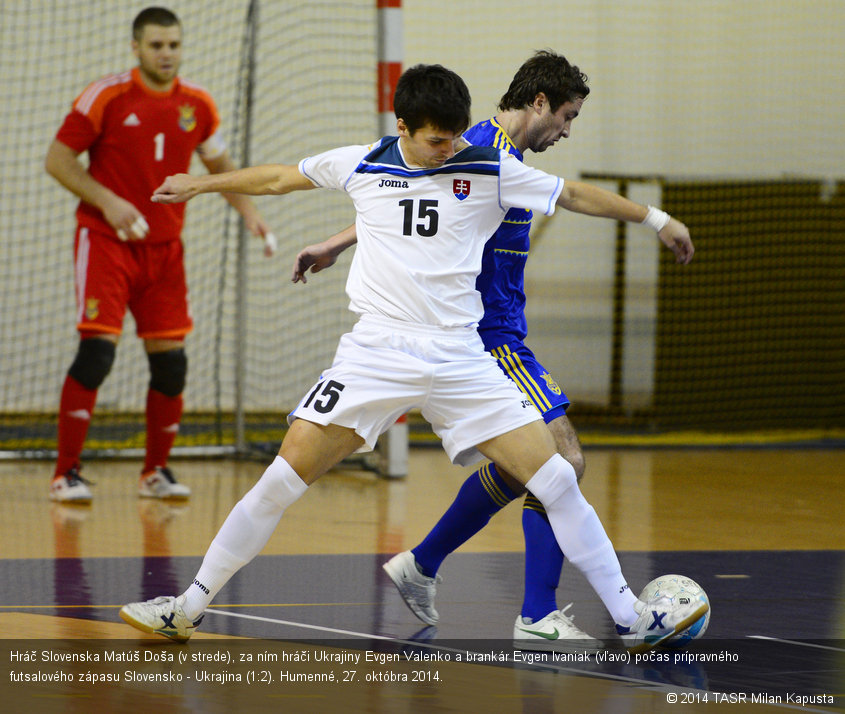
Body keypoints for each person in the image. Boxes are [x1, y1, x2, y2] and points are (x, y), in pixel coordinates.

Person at [119, 63, 704, 653]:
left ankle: (632, 619)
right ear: (401, 126)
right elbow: (277, 178)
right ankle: (186, 607)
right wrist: (198, 182)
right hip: (377, 353)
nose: (449, 150)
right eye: (436, 141)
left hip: (461, 356)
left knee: (557, 478)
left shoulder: (487, 167)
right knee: (280, 480)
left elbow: (575, 195)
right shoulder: (362, 162)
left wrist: (657, 219)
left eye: (455, 137)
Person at [290, 51, 650, 650]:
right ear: (538, 103)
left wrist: (334, 241)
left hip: (502, 329)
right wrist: (655, 220)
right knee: (564, 462)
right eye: (567, 116)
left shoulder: (495, 158)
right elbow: (404, 196)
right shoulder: (473, 149)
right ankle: (537, 613)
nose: (567, 130)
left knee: (524, 465)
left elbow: (417, 206)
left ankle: (423, 563)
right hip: (484, 335)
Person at [45, 7, 274, 504]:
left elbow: (219, 167)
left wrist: (250, 213)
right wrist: (109, 201)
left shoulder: (198, 103)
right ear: (136, 48)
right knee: (97, 353)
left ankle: (155, 472)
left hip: (166, 250)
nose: (166, 54)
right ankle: (66, 473)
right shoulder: (105, 96)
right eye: (155, 45)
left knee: (171, 364)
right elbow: (57, 160)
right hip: (105, 242)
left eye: (173, 44)